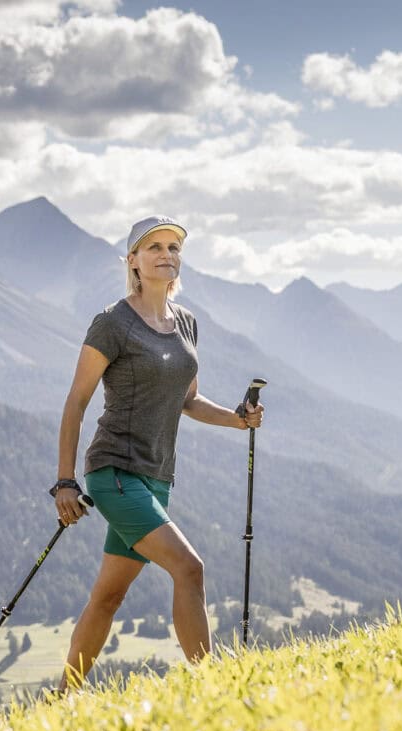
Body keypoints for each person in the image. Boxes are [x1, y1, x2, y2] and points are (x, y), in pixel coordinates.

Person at [53, 215, 263, 691]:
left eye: (173, 247)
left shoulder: (186, 322)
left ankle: (60, 700)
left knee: (107, 597)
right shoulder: (112, 323)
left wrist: (237, 418)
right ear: (132, 260)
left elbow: (188, 399)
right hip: (114, 473)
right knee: (190, 569)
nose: (167, 255)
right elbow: (76, 401)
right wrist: (65, 481)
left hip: (156, 477)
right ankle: (213, 687)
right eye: (154, 248)